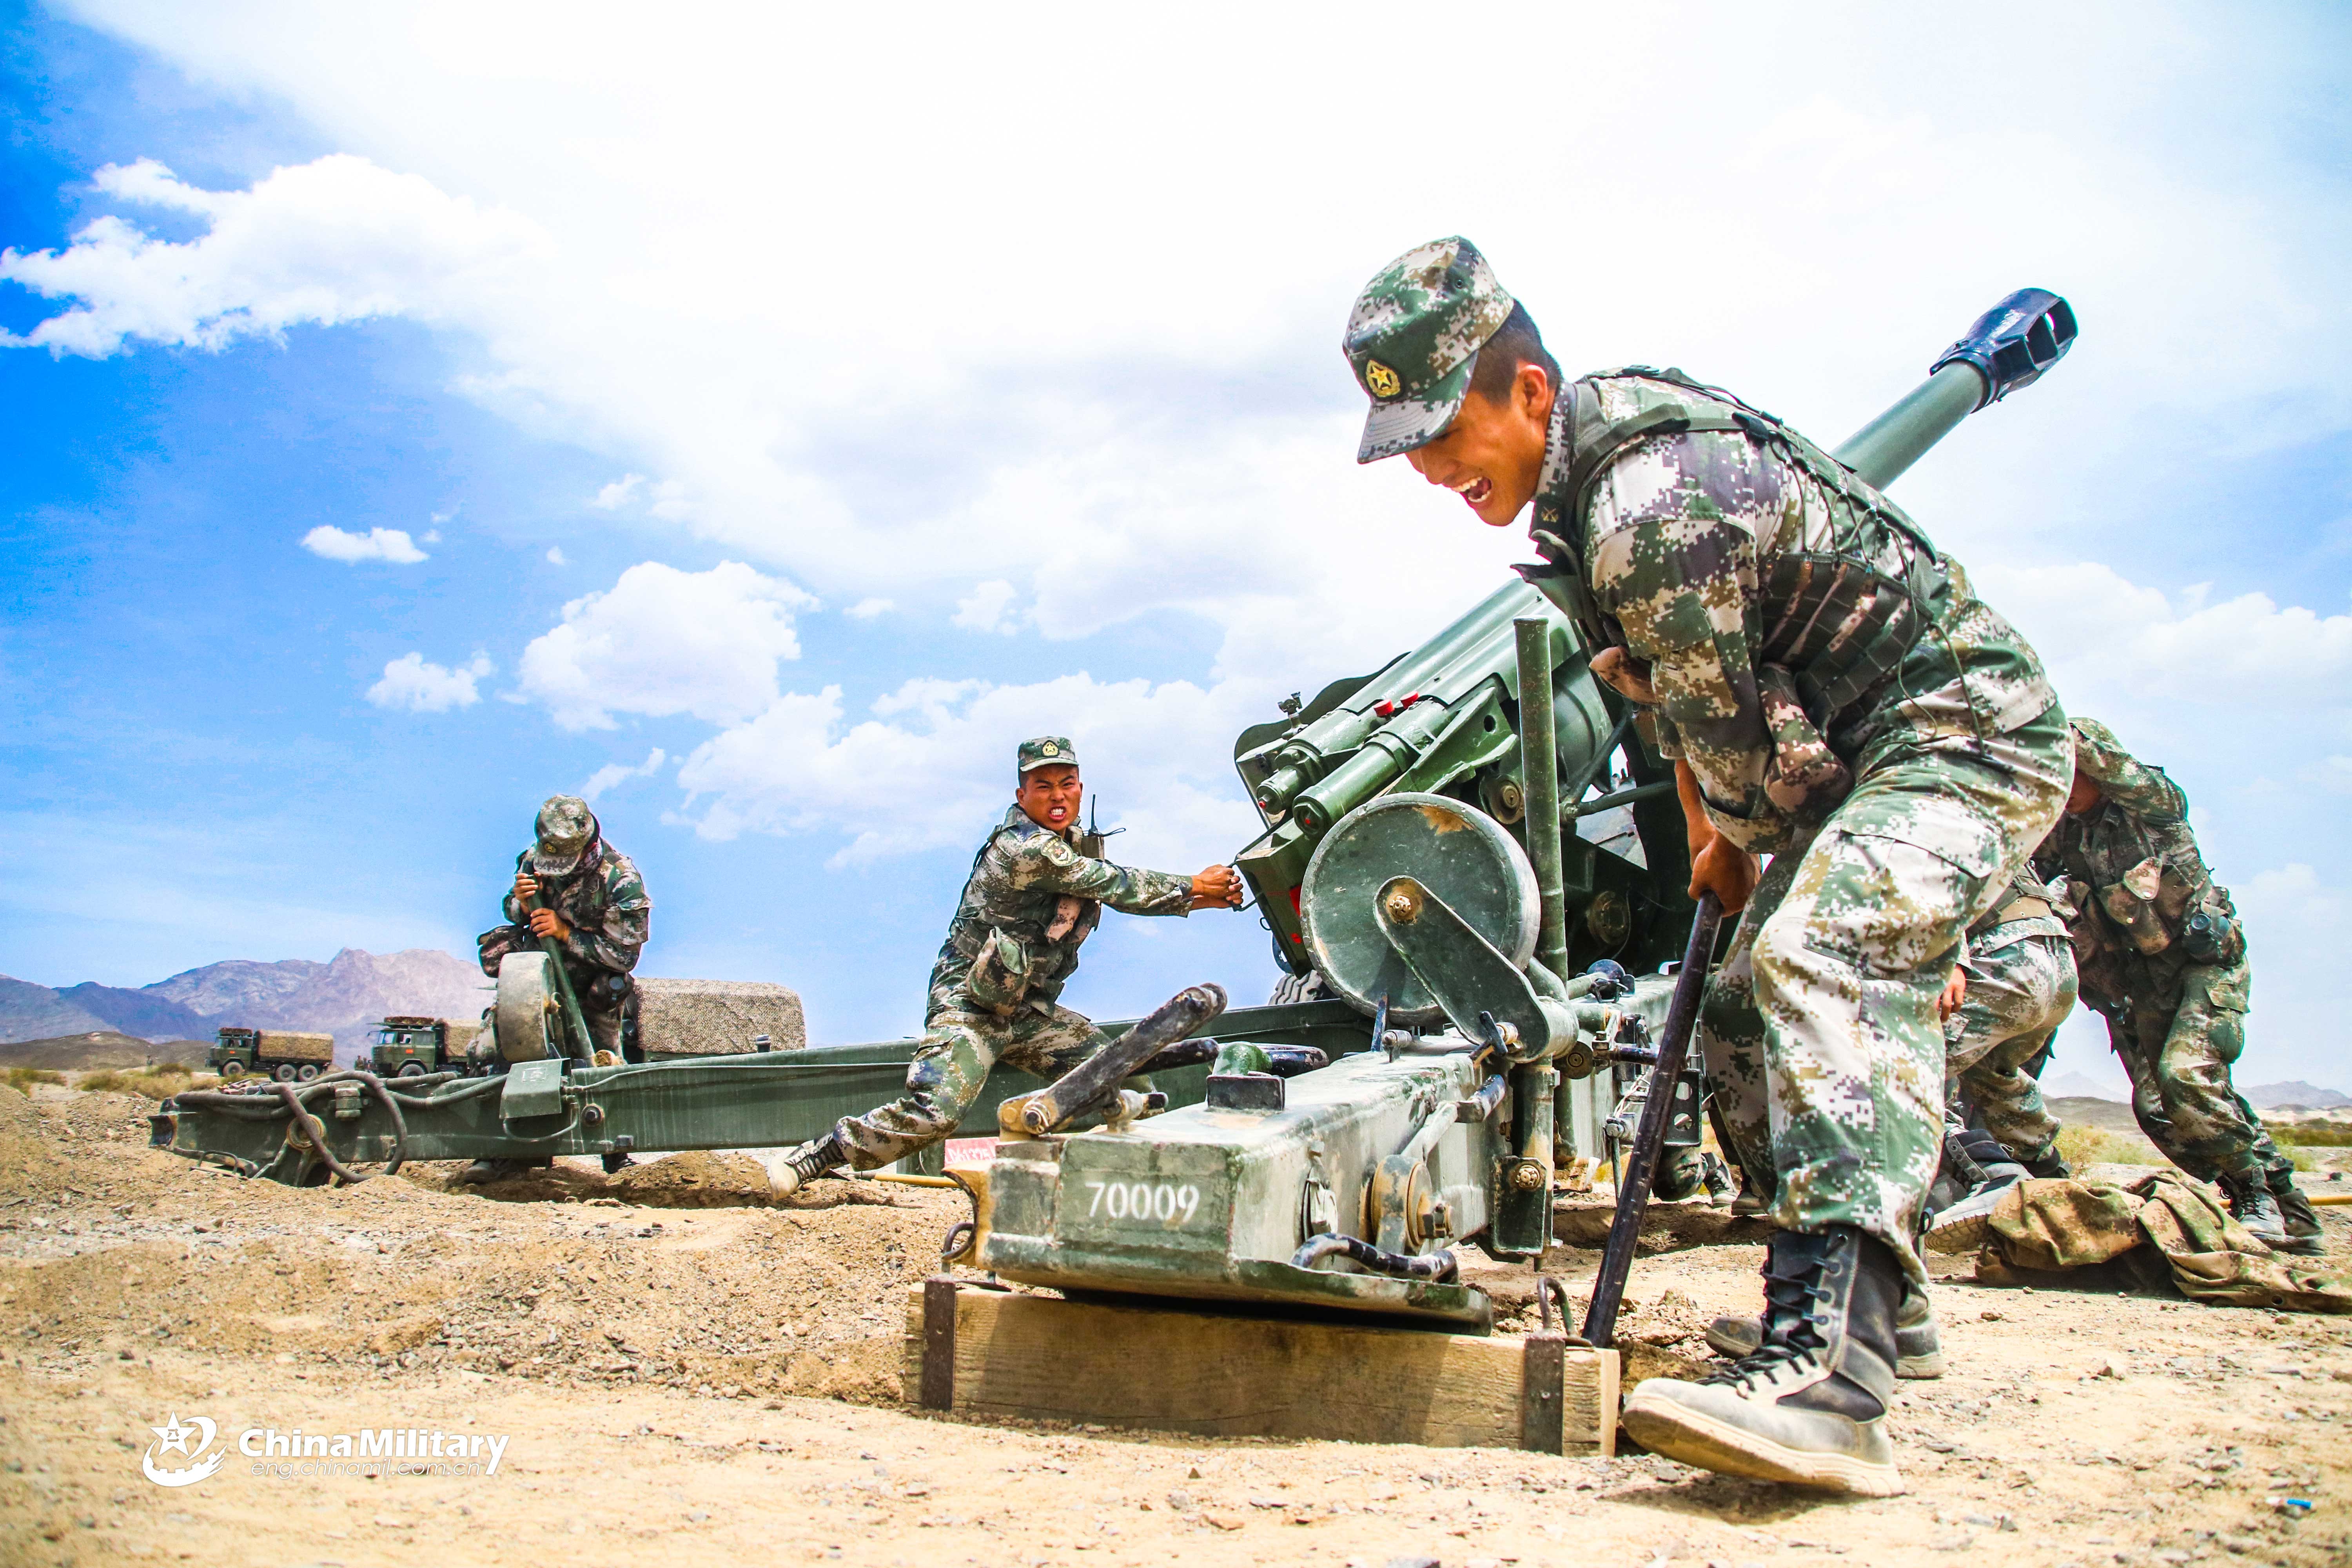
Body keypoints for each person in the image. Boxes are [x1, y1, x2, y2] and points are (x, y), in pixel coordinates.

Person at [1343, 237, 2070, 1494]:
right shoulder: (1583, 505)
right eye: (1404, 441)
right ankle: (1879, 1313)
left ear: (1527, 392)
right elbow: (1679, 715)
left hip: (1956, 732)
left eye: (1441, 427)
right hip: (1847, 754)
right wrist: (1715, 834)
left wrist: (1745, 840)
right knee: (1736, 1006)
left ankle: (1830, 1381)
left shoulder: (1641, 509)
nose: (1428, 467)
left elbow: (1735, 749)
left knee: (1817, 953)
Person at [769, 737, 1243, 1194]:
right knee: (937, 1112)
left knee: (1123, 1077)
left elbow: (1109, 893)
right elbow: (1111, 883)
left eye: (1068, 783)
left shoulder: (1071, 843)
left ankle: (1135, 1186)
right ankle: (820, 1155)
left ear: (1081, 787)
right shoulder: (1025, 848)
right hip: (972, 1006)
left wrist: (1205, 900)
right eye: (1043, 786)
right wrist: (1197, 885)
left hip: (1026, 1013)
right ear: (1022, 795)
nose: (1058, 796)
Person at [2035, 718, 2319, 1255]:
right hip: (2141, 981)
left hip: (2201, 968)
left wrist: (2047, 725)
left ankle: (2255, 1196)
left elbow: (2131, 778)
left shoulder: (2151, 807)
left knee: (2187, 1077)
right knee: (2160, 1107)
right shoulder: (2062, 833)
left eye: (2070, 769)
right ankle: (2289, 1209)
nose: (2061, 783)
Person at [463, 794, 652, 1182]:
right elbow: (512, 912)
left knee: (602, 1063)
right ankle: (500, 1150)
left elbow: (623, 955)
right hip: (537, 979)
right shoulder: (534, 859)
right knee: (502, 1054)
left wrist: (566, 934)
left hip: (593, 985)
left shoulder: (621, 880)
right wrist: (520, 903)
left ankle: (616, 1155)